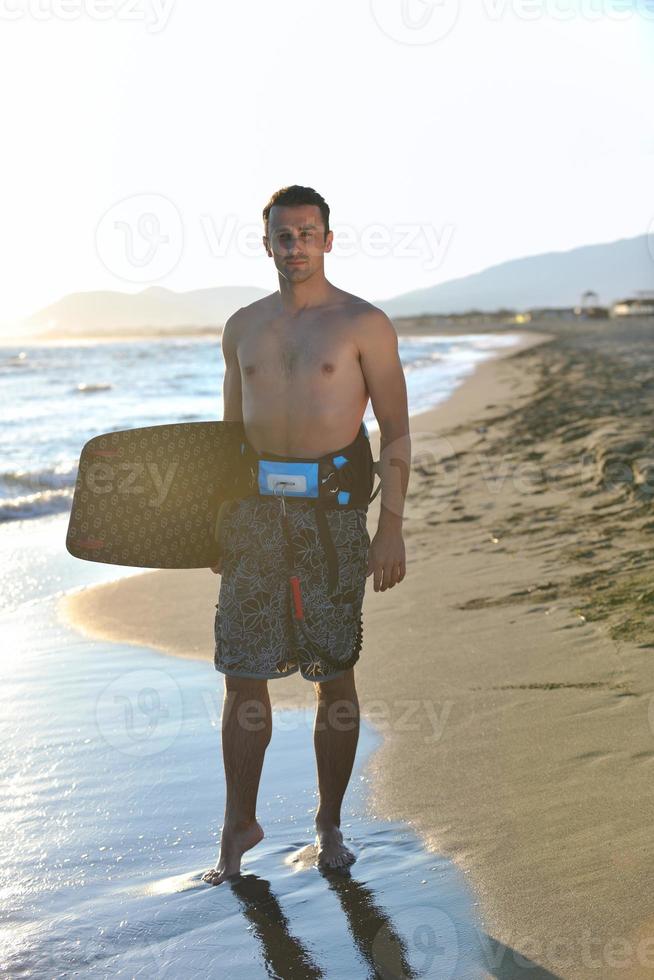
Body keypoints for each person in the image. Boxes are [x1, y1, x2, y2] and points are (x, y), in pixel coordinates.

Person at [202, 185, 411, 884]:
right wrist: (213, 522)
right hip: (254, 516)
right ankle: (239, 824)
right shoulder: (242, 328)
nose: (294, 247)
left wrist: (392, 528)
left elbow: (396, 430)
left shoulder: (364, 324)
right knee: (241, 671)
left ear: (328, 239)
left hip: (332, 517)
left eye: (306, 234)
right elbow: (231, 437)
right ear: (266, 245)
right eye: (282, 236)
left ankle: (329, 822)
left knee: (334, 668)